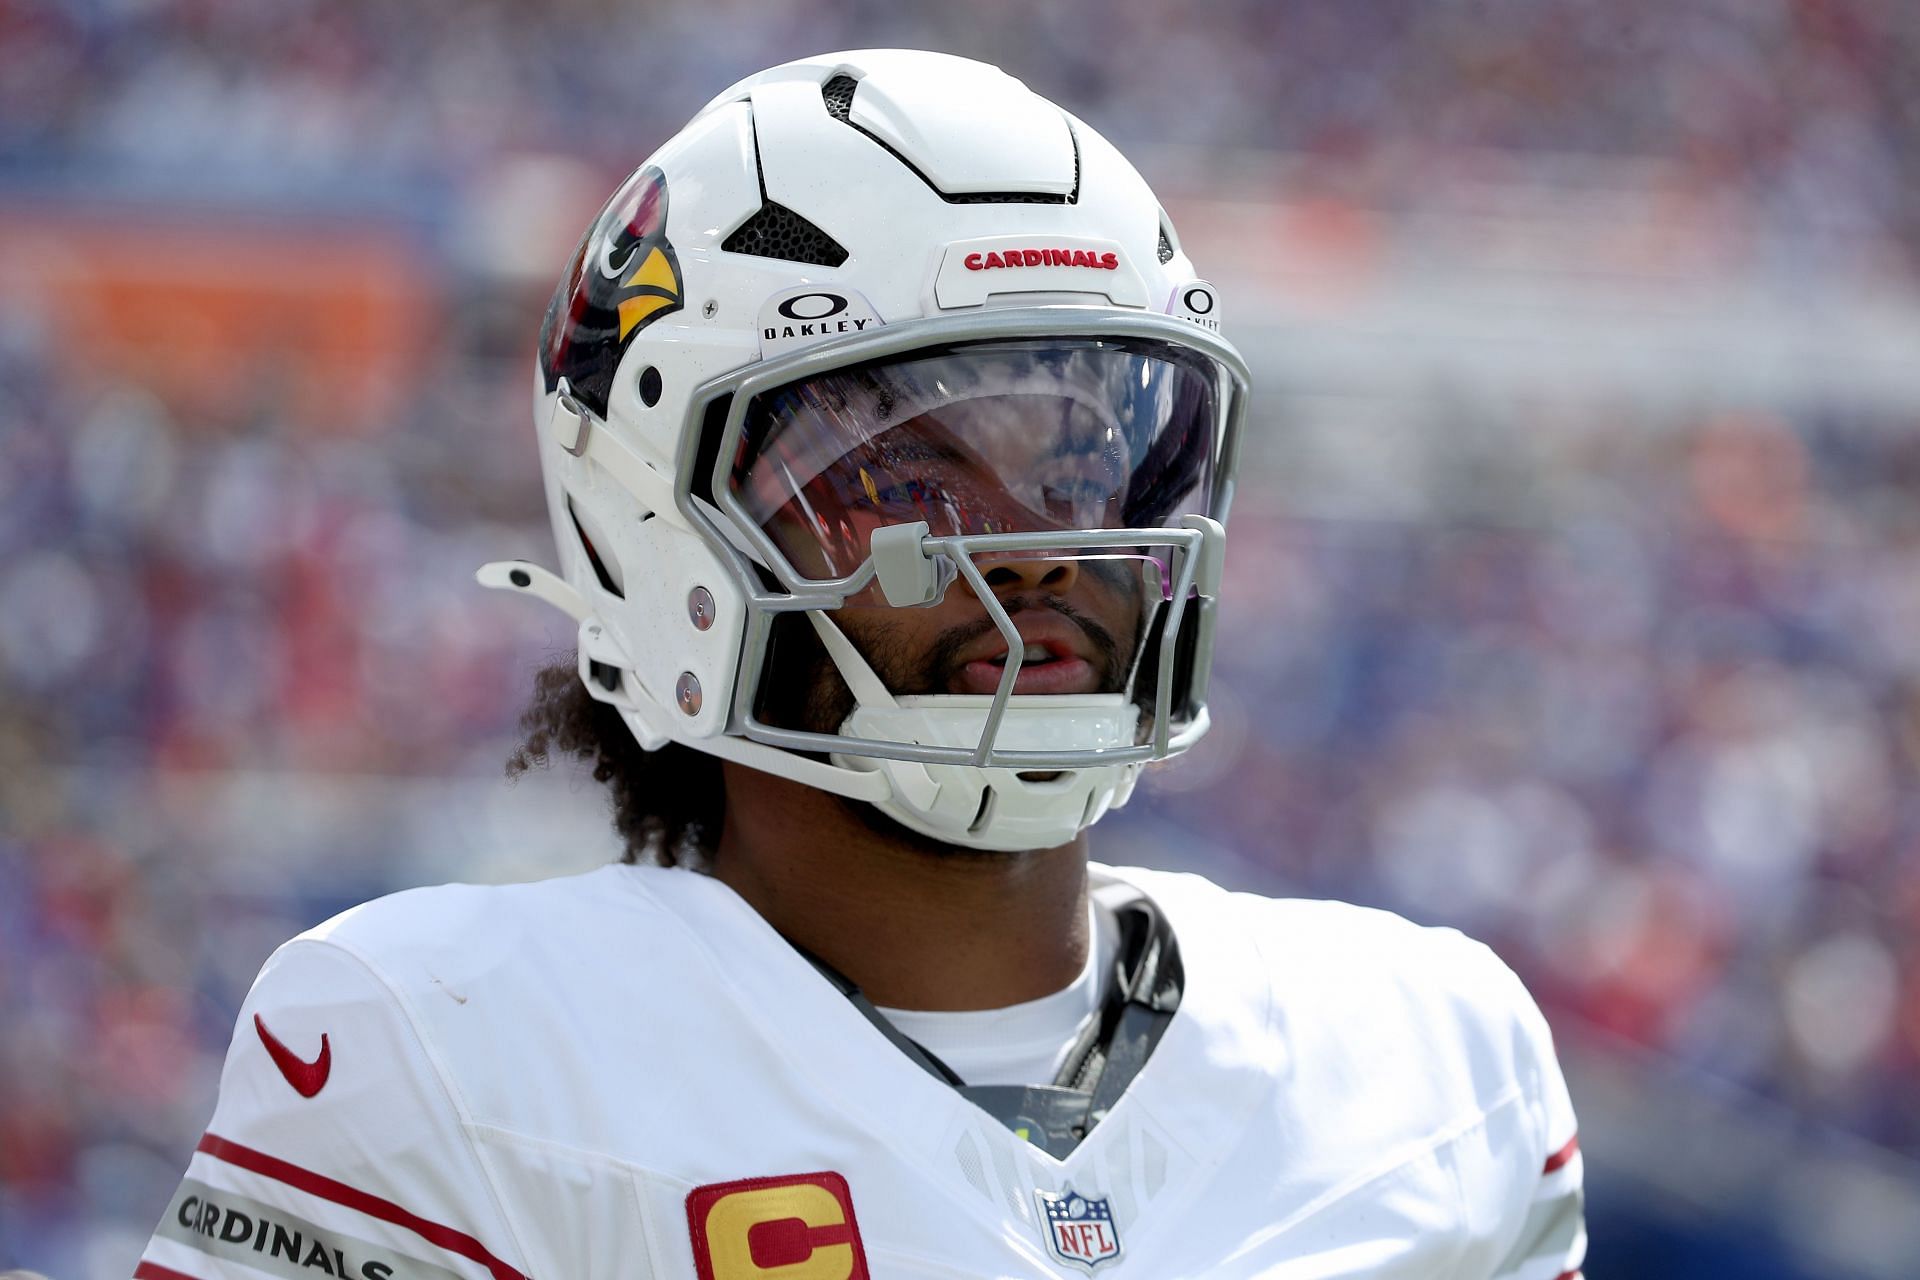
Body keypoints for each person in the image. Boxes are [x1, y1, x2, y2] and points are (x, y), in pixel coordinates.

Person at [136, 50, 1585, 1280]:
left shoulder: (1436, 1066)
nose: (1032, 550)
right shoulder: (438, 1052)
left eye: (1086, 460)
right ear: (659, 521)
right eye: (902, 474)